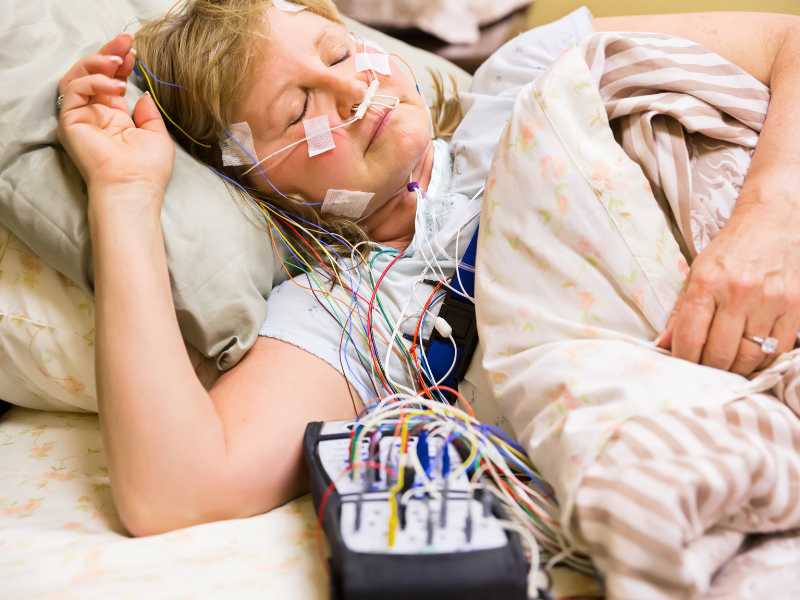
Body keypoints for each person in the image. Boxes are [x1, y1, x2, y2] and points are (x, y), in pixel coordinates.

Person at [56, 0, 800, 542]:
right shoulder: (353, 313)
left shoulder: (525, 78)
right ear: (259, 183)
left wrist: (770, 217)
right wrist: (123, 194)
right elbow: (177, 491)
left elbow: (787, 41)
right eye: (298, 109)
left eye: (339, 54)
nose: (352, 90)